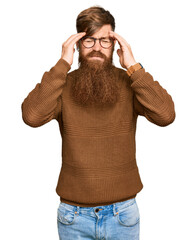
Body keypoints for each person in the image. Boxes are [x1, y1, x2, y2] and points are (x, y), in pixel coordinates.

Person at [21, 6, 176, 240]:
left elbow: (166, 115)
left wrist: (134, 66)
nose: (96, 48)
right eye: (89, 40)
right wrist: (62, 63)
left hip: (122, 214)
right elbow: (32, 116)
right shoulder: (62, 85)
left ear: (114, 46)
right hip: (73, 216)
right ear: (77, 44)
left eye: (104, 41)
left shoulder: (130, 82)